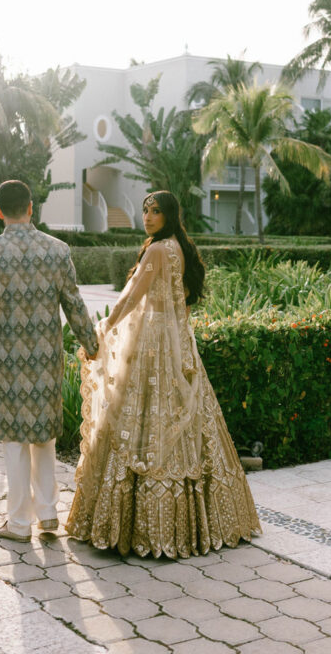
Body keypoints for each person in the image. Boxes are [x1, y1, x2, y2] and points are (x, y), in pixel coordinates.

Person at [66, 190, 261, 558]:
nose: (148, 217)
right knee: (184, 421)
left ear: (169, 215)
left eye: (156, 211)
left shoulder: (157, 250)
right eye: (145, 210)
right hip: (175, 343)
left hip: (153, 341)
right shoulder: (178, 248)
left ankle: (140, 526)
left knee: (142, 420)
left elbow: (129, 297)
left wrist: (104, 328)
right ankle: (202, 523)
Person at [0, 179, 99, 543]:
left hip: (7, 361)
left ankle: (19, 523)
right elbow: (74, 303)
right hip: (46, 358)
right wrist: (91, 342)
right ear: (31, 207)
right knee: (44, 435)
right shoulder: (57, 250)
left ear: (0, 211)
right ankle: (49, 514)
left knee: (15, 441)